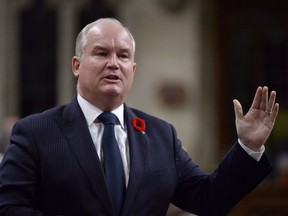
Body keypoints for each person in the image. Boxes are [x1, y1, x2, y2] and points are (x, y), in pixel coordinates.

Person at [0, 18, 279, 216]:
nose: (113, 63)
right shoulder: (36, 132)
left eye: (123, 56)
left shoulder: (160, 135)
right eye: (101, 53)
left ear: (132, 68)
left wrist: (248, 147)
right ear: (76, 65)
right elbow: (9, 207)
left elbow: (209, 199)